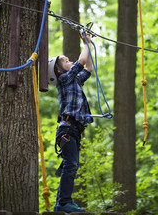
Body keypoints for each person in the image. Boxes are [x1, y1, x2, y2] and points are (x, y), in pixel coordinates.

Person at [48, 33, 93, 213]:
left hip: (73, 130)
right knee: (71, 165)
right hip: (66, 128)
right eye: (66, 61)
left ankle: (62, 203)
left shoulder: (74, 80)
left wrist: (88, 45)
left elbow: (88, 68)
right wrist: (86, 43)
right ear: (59, 70)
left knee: (71, 165)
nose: (71, 62)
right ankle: (64, 202)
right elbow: (81, 62)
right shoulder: (64, 80)